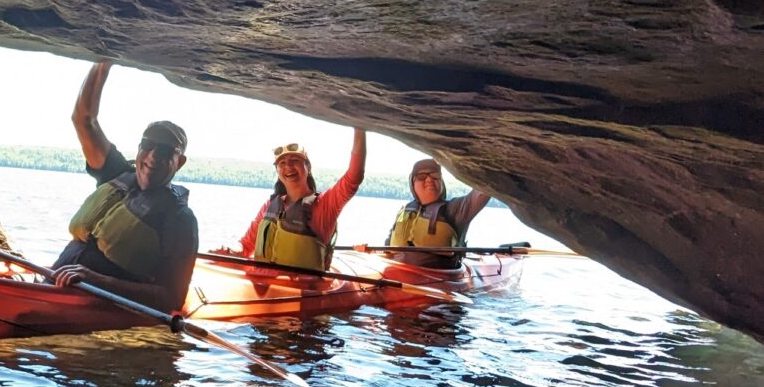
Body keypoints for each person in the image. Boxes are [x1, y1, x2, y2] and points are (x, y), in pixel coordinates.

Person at [50, 62, 198, 312]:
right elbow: (83, 120)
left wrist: (98, 280)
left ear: (179, 161)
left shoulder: (179, 218)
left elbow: (171, 298)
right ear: (139, 149)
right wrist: (103, 63)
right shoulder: (115, 172)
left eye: (164, 151)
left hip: (99, 309)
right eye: (148, 145)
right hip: (52, 289)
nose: (153, 156)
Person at [231, 129, 367, 271]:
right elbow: (245, 246)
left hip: (303, 289)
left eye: (295, 160)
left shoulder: (326, 204)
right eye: (282, 163)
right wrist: (227, 250)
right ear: (277, 172)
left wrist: (359, 127)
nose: (288, 166)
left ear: (308, 167)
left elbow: (354, 177)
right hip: (263, 286)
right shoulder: (269, 206)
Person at [385, 158, 491, 266]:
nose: (429, 180)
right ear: (413, 183)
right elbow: (387, 246)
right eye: (422, 176)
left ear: (441, 183)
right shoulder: (406, 211)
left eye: (435, 176)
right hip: (396, 272)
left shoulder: (455, 209)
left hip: (439, 277)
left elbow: (484, 191)